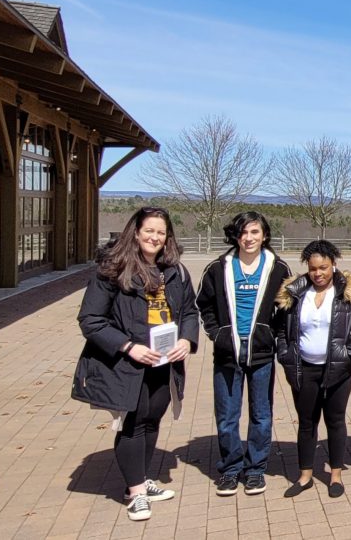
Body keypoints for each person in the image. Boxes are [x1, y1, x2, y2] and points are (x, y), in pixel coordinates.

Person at [75, 207, 199, 521]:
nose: (155, 237)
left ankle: (141, 479)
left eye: (161, 232)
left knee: (152, 420)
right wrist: (128, 346)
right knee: (131, 424)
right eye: (150, 231)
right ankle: (135, 493)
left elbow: (189, 312)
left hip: (164, 361)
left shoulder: (175, 271)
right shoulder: (112, 270)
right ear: (136, 232)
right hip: (127, 364)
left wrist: (186, 340)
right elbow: (91, 319)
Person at [197, 211, 292, 496]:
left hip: (261, 354)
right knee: (227, 415)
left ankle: (255, 470)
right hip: (228, 353)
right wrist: (218, 334)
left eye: (255, 232)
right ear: (235, 236)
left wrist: (271, 334)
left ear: (264, 235)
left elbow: (287, 308)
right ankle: (230, 469)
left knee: (261, 415)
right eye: (243, 233)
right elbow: (205, 305)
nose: (249, 238)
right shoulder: (218, 268)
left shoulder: (278, 269)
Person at [275, 241, 351, 499]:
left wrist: (349, 354)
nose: (318, 273)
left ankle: (335, 475)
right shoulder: (294, 293)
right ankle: (305, 475)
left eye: (323, 267)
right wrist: (284, 354)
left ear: (333, 264)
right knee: (306, 422)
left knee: (335, 420)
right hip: (303, 368)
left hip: (338, 368)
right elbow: (282, 330)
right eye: (313, 268)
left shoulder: (348, 293)